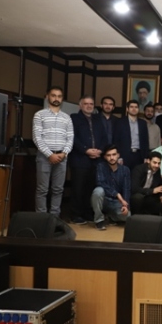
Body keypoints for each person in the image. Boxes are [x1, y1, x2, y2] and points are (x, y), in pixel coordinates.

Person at [33, 86, 74, 217]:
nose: (56, 98)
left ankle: (54, 219)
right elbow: (37, 138)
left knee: (58, 189)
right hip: (44, 157)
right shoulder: (39, 115)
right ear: (47, 96)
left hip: (62, 157)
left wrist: (64, 153)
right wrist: (50, 154)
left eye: (59, 96)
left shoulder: (67, 118)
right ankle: (41, 219)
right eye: (53, 95)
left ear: (62, 99)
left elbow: (70, 138)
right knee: (42, 190)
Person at [69, 95, 106, 224]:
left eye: (91, 104)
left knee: (91, 187)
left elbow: (104, 137)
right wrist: (86, 150)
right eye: (86, 104)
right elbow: (72, 138)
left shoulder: (98, 119)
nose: (89, 106)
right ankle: (76, 214)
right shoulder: (74, 118)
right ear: (80, 105)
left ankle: (87, 212)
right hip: (80, 159)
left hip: (96, 159)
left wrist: (100, 150)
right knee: (78, 188)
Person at [91, 144, 131, 230]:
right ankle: (99, 220)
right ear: (105, 157)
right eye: (108, 155)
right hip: (104, 199)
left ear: (118, 155)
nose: (111, 157)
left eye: (114, 154)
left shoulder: (125, 170)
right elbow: (100, 183)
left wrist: (125, 205)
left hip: (116, 202)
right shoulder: (101, 167)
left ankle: (110, 217)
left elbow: (126, 189)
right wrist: (117, 194)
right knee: (98, 191)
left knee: (127, 216)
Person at [113, 100, 149, 169]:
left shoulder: (143, 123)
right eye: (131, 107)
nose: (134, 109)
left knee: (137, 175)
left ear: (138, 109)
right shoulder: (120, 122)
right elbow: (116, 140)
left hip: (139, 155)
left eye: (136, 107)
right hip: (125, 155)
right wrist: (118, 156)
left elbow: (145, 141)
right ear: (127, 109)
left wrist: (145, 157)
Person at [130, 151, 162, 216]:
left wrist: (161, 195)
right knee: (138, 198)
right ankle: (136, 218)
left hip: (149, 196)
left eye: (159, 163)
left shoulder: (157, 170)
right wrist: (152, 191)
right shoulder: (138, 170)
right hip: (138, 195)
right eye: (154, 162)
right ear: (148, 161)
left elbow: (160, 184)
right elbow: (134, 188)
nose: (157, 165)